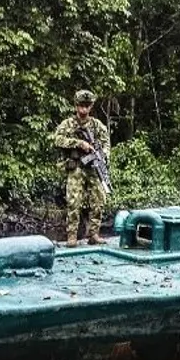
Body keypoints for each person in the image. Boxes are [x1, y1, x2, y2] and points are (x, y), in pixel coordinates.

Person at [51, 89, 110, 246]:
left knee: (98, 200)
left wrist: (100, 154)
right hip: (76, 166)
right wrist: (78, 143)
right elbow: (57, 140)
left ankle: (94, 234)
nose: (84, 109)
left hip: (93, 166)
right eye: (81, 106)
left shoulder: (97, 126)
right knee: (73, 201)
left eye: (87, 106)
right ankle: (72, 236)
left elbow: (106, 145)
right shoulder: (68, 124)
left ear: (91, 107)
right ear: (76, 106)